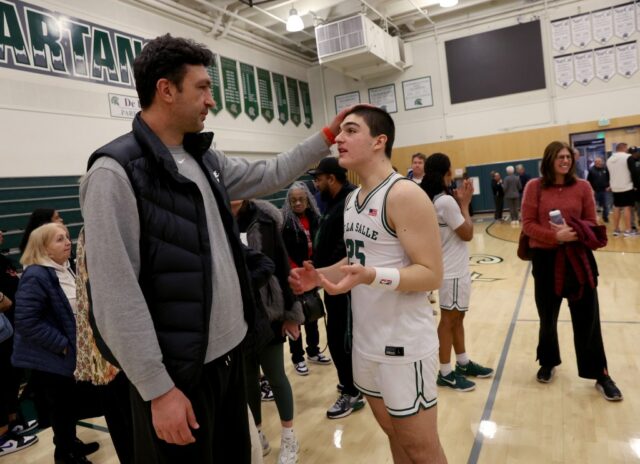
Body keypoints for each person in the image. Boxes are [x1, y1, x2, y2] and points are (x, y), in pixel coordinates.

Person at [79, 34, 348, 464]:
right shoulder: (114, 173)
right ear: (166, 90)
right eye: (202, 88)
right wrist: (158, 388)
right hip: (178, 377)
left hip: (229, 360)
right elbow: (115, 297)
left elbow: (271, 171)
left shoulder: (204, 158)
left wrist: (326, 136)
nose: (210, 100)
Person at [289, 106, 447, 463]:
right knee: (395, 437)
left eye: (350, 131)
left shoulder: (403, 194)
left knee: (423, 449)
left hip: (404, 347)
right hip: (367, 343)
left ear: (379, 141)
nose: (338, 139)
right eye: (340, 132)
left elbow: (431, 274)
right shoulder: (352, 202)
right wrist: (322, 276)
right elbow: (359, 263)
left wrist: (374, 276)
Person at [521, 141, 622, 401]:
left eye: (568, 157)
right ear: (549, 159)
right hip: (545, 261)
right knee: (547, 316)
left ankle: (600, 374)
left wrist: (572, 233)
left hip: (578, 259)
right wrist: (556, 238)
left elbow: (591, 221)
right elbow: (528, 225)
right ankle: (548, 361)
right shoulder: (534, 187)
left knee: (588, 318)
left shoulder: (583, 187)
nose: (565, 161)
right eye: (559, 157)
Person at [12, 223, 100, 463]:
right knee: (61, 408)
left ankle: (71, 445)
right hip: (51, 357)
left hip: (66, 354)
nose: (68, 242)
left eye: (67, 237)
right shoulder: (36, 274)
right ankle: (65, 455)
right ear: (44, 248)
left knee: (68, 405)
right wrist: (62, 345)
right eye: (59, 239)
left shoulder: (64, 268)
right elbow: (26, 321)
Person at [232, 199, 303, 464]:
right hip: (237, 316)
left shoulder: (264, 220)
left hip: (270, 313)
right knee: (248, 379)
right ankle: (257, 433)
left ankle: (289, 437)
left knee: (275, 375)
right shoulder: (215, 217)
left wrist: (291, 313)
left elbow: (282, 265)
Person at [421, 154, 494, 393]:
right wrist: (465, 203)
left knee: (458, 318)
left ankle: (462, 363)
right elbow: (468, 233)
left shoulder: (437, 200)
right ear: (446, 174)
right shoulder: (446, 202)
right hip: (451, 271)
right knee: (449, 320)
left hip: (454, 269)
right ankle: (445, 373)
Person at [307, 157, 366, 419]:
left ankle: (353, 392)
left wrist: (325, 271)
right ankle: (350, 382)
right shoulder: (334, 202)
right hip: (331, 281)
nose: (315, 182)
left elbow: (348, 248)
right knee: (337, 334)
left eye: (318, 178)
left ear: (331, 178)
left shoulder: (351, 201)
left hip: (344, 283)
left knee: (341, 336)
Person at [280, 182, 331, 375]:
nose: (298, 203)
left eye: (301, 199)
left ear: (308, 200)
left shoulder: (315, 218)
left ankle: (313, 350)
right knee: (296, 316)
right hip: (295, 276)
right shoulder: (285, 222)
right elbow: (283, 252)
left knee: (312, 313)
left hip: (312, 273)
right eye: (293, 200)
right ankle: (297, 357)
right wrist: (296, 270)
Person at [0, 230, 39, 457]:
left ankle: (13, 425)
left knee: (10, 378)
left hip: (9, 331)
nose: (2, 233)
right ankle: (3, 438)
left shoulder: (3, 261)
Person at [606, 143, 635, 237]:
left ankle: (616, 230)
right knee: (627, 207)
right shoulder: (628, 157)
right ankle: (628, 230)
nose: (627, 150)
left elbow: (608, 175)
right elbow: (633, 172)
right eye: (626, 148)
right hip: (627, 186)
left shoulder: (609, 160)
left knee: (616, 207)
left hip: (615, 188)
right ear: (623, 148)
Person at [587, 157, 610, 223]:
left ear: (602, 162)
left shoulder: (605, 169)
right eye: (597, 162)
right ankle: (594, 218)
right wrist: (591, 189)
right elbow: (588, 181)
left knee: (606, 205)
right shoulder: (591, 170)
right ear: (595, 163)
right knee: (594, 206)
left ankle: (605, 217)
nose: (599, 163)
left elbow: (609, 178)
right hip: (595, 191)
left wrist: (609, 186)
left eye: (600, 161)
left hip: (604, 190)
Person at [627, 146, 640, 230]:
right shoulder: (628, 160)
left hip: (638, 188)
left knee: (639, 207)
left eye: (635, 152)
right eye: (632, 153)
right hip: (630, 188)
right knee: (631, 207)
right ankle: (632, 224)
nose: (634, 154)